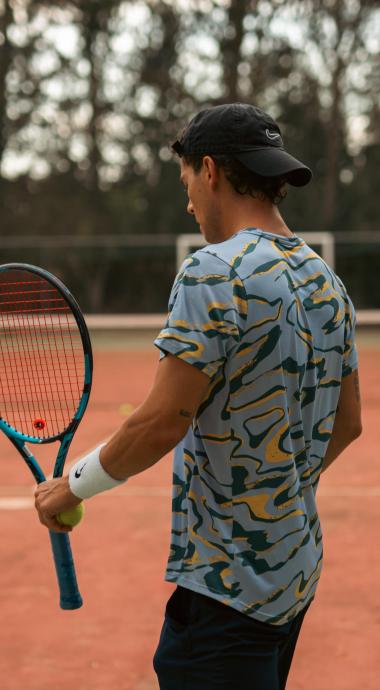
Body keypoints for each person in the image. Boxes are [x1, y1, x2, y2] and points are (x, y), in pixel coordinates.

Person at [35, 103, 362, 690]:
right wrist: (279, 487)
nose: (187, 200)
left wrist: (72, 483)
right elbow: (349, 424)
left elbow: (162, 421)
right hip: (294, 571)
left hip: (226, 589)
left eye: (186, 179)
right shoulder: (326, 280)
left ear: (209, 171)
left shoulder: (212, 271)